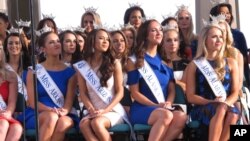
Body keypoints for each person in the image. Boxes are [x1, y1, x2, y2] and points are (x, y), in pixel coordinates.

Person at [126, 19, 187, 141]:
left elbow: (171, 90)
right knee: (165, 115)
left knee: (181, 117)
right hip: (142, 108)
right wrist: (156, 105)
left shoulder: (166, 62)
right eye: (154, 30)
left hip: (163, 108)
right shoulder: (134, 60)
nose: (159, 33)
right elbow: (135, 93)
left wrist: (168, 103)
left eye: (160, 30)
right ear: (145, 35)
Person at [186, 21, 240, 141]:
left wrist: (225, 103)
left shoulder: (231, 63)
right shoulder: (194, 65)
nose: (219, 40)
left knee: (233, 113)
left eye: (221, 37)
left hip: (226, 105)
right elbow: (190, 97)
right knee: (221, 109)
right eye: (214, 36)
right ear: (205, 40)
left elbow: (235, 92)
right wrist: (211, 101)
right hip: (203, 107)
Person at [22, 27, 79, 141]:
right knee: (51, 118)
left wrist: (64, 111)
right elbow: (32, 102)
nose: (56, 44)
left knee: (62, 123)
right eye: (51, 42)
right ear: (43, 49)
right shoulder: (33, 71)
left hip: (62, 113)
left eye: (58, 41)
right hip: (37, 113)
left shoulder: (70, 73)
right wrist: (51, 110)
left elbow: (68, 102)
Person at [75, 28, 129, 141]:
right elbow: (83, 93)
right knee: (83, 125)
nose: (105, 42)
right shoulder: (82, 66)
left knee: (97, 123)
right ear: (92, 42)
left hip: (112, 110)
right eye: (101, 38)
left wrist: (105, 111)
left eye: (107, 39)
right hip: (94, 111)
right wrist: (91, 109)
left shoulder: (114, 63)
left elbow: (120, 93)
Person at [210, 2, 250, 88]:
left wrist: (231, 61)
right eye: (222, 13)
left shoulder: (238, 35)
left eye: (228, 13)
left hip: (236, 79)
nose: (226, 16)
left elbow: (245, 58)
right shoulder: (208, 37)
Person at [0, 45, 23, 141]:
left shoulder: (10, 76)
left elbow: (12, 101)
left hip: (4, 114)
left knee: (17, 129)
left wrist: (8, 112)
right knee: (3, 124)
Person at [3, 30, 31, 101]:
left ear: (22, 46)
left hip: (28, 106)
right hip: (7, 106)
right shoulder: (2, 67)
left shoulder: (30, 67)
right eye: (10, 43)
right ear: (6, 46)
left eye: (17, 43)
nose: (14, 46)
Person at [161, 24, 189, 92]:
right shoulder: (158, 63)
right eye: (168, 40)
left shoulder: (187, 64)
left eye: (175, 40)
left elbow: (187, 88)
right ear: (162, 43)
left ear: (179, 43)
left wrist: (169, 80)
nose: (172, 43)